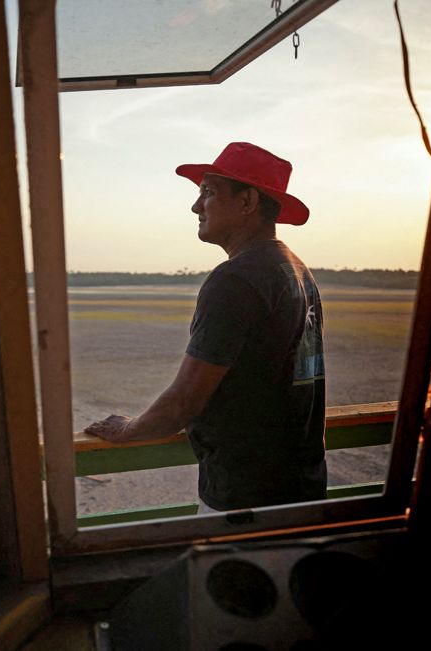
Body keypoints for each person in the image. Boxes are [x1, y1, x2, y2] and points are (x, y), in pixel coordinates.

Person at [85, 142, 326, 512]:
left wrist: (127, 429)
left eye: (209, 193)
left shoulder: (235, 280)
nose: (196, 206)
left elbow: (183, 401)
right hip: (301, 487)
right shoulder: (296, 270)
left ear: (247, 202)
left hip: (246, 499)